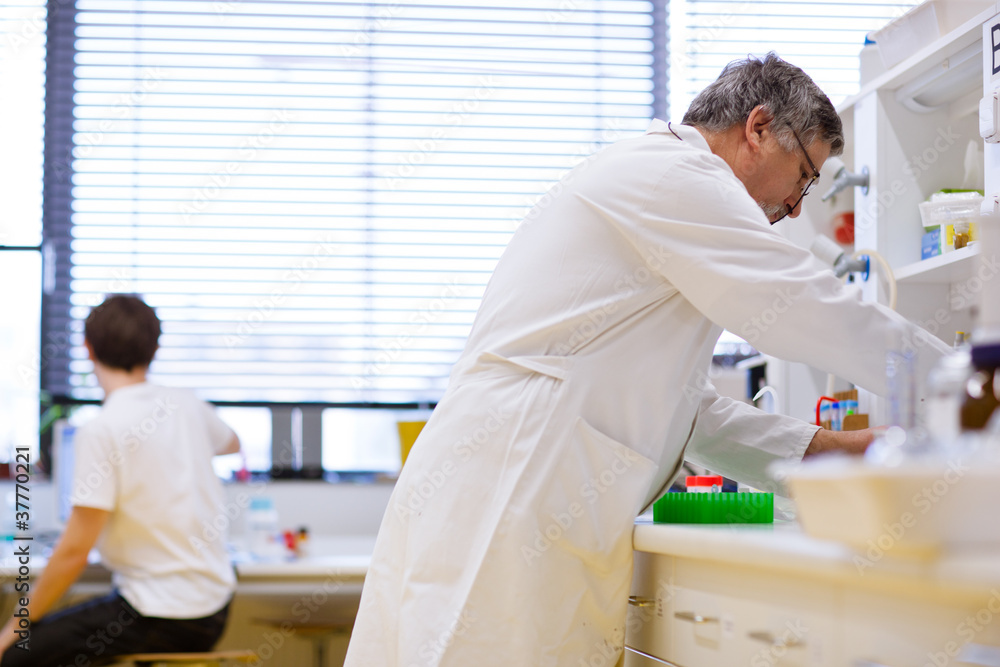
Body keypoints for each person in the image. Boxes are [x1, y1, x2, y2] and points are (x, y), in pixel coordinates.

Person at [344, 53, 951, 666]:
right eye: (803, 175)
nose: (797, 207)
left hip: (518, 483)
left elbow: (688, 409)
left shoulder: (669, 192)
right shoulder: (676, 177)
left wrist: (827, 450)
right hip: (513, 488)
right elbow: (802, 300)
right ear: (759, 128)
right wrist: (964, 380)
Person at [0, 294, 241, 666]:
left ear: (88, 348)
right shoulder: (186, 403)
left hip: (159, 615)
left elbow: (74, 552)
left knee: (17, 656)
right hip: (215, 609)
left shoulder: (101, 430)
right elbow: (231, 443)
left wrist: (12, 631)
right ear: (155, 348)